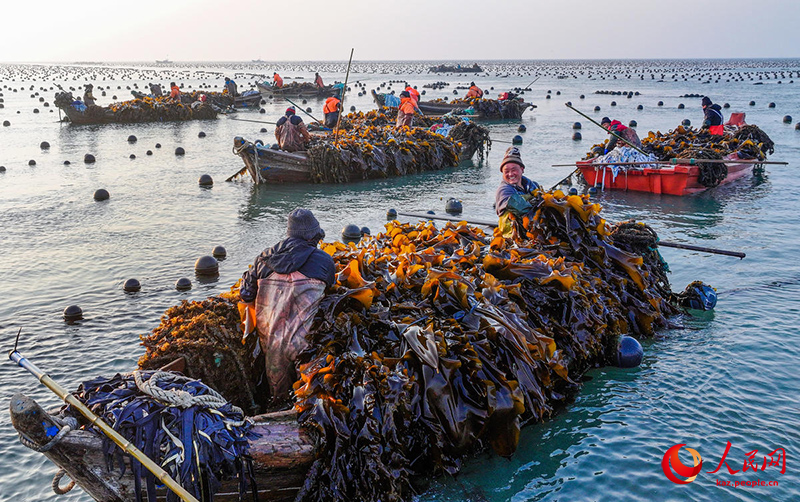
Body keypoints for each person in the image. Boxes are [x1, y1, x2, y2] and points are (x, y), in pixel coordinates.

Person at [239, 208, 335, 404]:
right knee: (305, 397)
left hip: (271, 344)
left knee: (277, 395)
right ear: (313, 237)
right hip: (305, 344)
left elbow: (245, 294)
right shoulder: (323, 260)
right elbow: (331, 290)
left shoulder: (263, 259)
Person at [495, 147, 540, 217]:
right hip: (513, 226)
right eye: (506, 171)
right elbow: (523, 209)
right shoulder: (504, 190)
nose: (510, 174)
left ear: (522, 169)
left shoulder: (531, 185)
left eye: (514, 170)